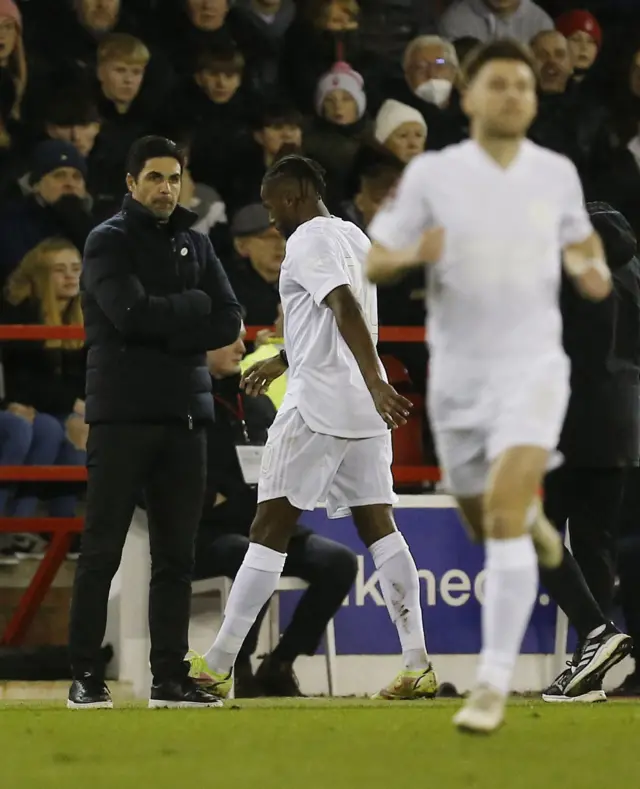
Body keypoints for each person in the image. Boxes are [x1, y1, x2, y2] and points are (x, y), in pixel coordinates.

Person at [366, 39, 612, 733]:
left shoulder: (555, 173)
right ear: (468, 97)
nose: (511, 95)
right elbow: (379, 255)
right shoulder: (434, 177)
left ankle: (496, 682)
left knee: (505, 509)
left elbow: (585, 242)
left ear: (534, 100)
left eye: (522, 86)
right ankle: (544, 553)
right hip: (460, 374)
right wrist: (419, 250)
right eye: (497, 84)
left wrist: (588, 266)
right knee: (486, 518)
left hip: (533, 365)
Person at [187, 153, 437, 703]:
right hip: (359, 412)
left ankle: (220, 663)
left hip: (319, 407)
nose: (271, 217)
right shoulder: (354, 236)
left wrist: (376, 381)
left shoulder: (306, 240)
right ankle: (417, 663)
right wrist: (285, 359)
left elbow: (343, 306)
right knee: (380, 527)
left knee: (269, 527)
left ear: (296, 193)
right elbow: (331, 321)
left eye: (273, 202)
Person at [67, 135, 242, 710]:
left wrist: (175, 318)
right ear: (130, 183)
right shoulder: (106, 241)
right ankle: (85, 676)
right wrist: (192, 307)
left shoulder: (197, 241)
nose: (166, 188)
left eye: (174, 178)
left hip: (186, 415)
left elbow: (231, 319)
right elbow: (129, 313)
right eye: (155, 178)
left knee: (177, 556)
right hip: (121, 414)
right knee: (102, 551)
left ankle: (169, 677)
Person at [194, 323, 358, 697]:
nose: (241, 346)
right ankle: (239, 663)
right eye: (228, 338)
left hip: (267, 524)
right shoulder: (186, 398)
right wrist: (209, 498)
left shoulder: (256, 399)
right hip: (209, 533)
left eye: (242, 338)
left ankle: (280, 662)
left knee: (339, 562)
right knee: (254, 555)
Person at [539, 202, 637, 703]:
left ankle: (596, 636)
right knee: (594, 543)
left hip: (577, 424)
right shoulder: (626, 278)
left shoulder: (575, 281)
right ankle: (590, 670)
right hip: (623, 426)